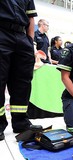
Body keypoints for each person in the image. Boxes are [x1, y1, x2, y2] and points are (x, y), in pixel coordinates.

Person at [0, 0, 38, 140]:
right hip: (2, 32)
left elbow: (30, 17)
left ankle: (20, 121)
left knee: (22, 82)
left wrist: (29, 41)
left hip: (22, 37)